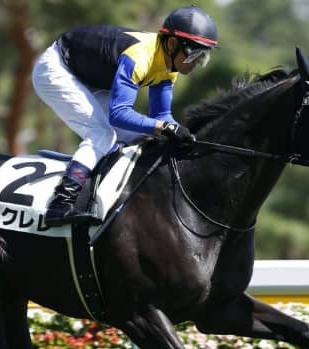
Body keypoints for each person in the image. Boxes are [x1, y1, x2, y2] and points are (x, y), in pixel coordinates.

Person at [32, 5, 218, 227]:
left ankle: (101, 194)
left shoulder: (169, 66)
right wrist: (165, 127)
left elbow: (161, 115)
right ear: (171, 44)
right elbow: (119, 115)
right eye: (194, 53)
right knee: (102, 134)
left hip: (89, 79)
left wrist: (186, 135)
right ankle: (60, 203)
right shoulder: (140, 56)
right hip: (57, 68)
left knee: (141, 138)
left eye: (203, 57)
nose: (197, 63)